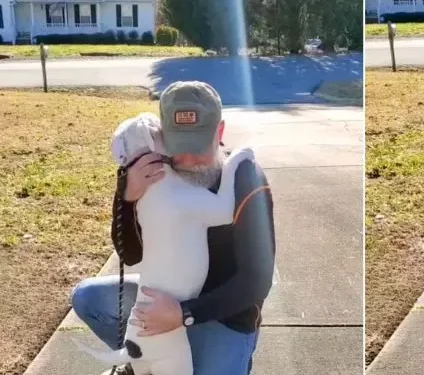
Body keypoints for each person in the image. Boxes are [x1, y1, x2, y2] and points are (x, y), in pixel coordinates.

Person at [70, 81, 276, 375]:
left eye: (198, 147)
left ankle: (228, 356)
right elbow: (130, 255)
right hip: (167, 295)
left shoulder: (245, 177)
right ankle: (144, 358)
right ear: (162, 135)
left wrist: (185, 314)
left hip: (223, 314)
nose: (188, 161)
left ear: (219, 132)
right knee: (89, 298)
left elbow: (257, 281)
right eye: (179, 147)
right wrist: (126, 198)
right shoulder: (155, 173)